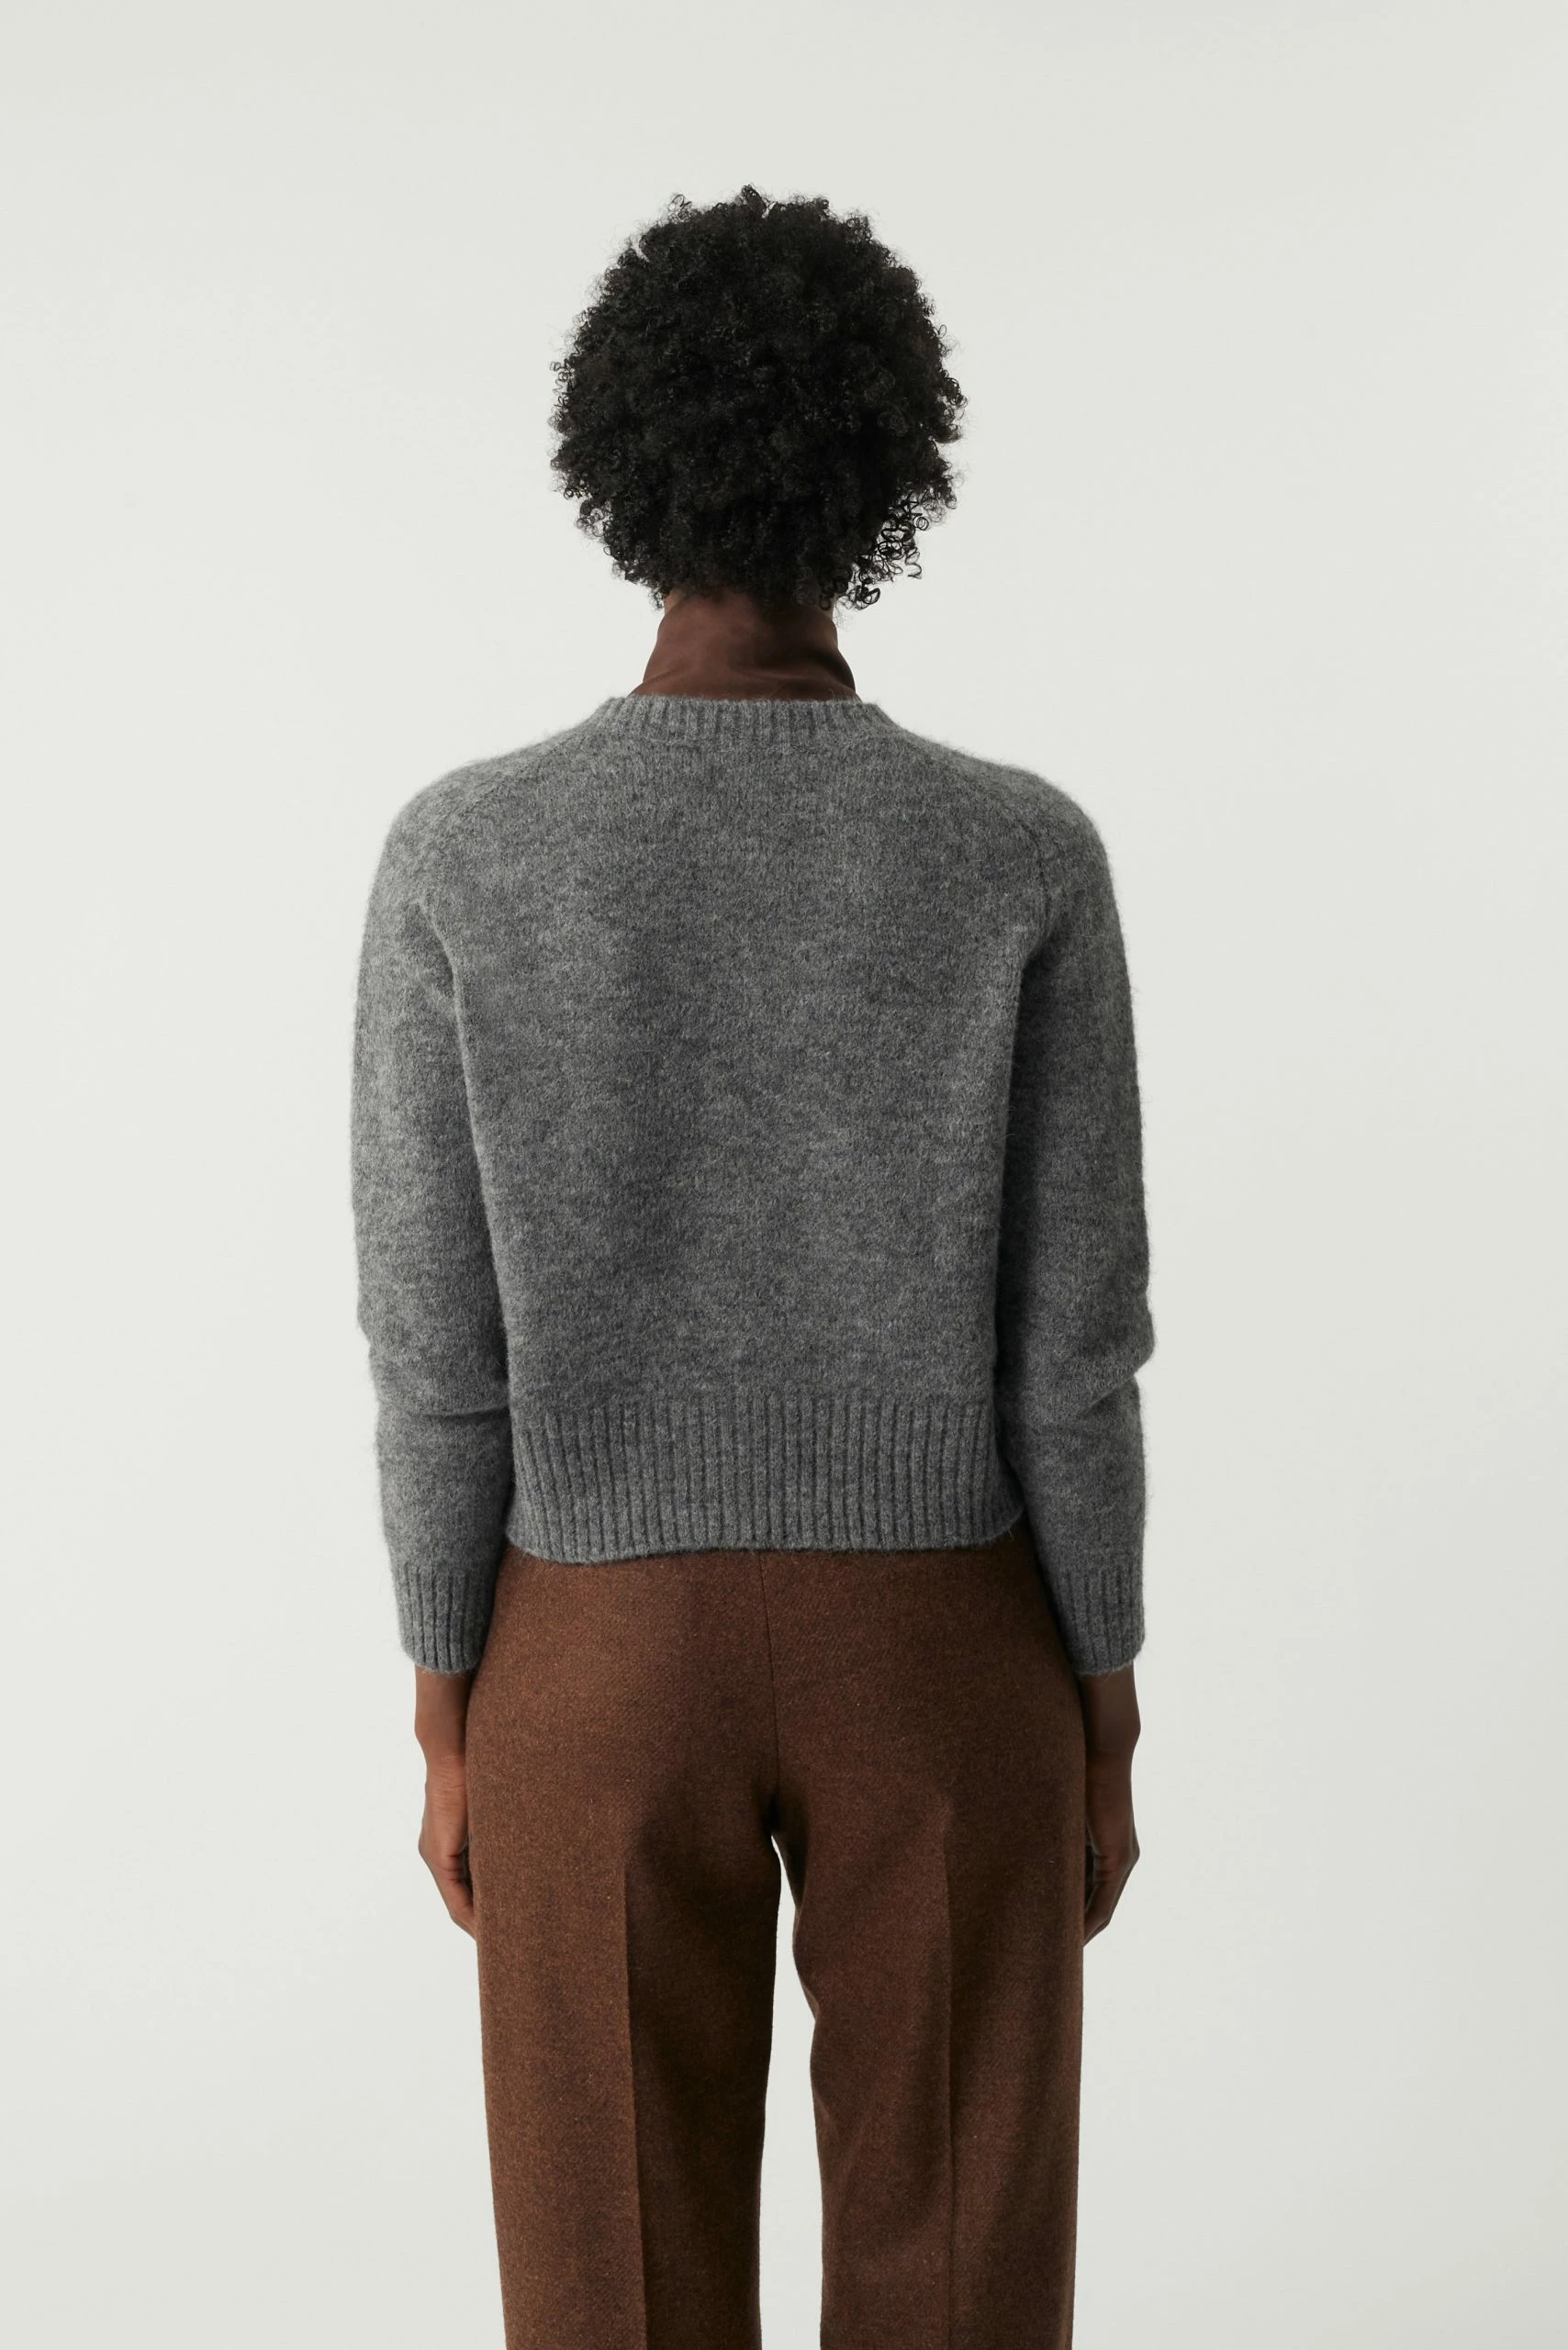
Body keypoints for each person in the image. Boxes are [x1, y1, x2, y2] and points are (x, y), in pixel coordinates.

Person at [351, 185, 1154, 2350]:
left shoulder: (463, 855)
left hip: (589, 1656)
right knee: (960, 2284)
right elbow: (1073, 1347)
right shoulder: (1017, 852)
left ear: (620, 467)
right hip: (949, 1649)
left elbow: (435, 1346)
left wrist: (449, 1695)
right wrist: (1097, 1695)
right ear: (887, 478)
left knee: (609, 2289)